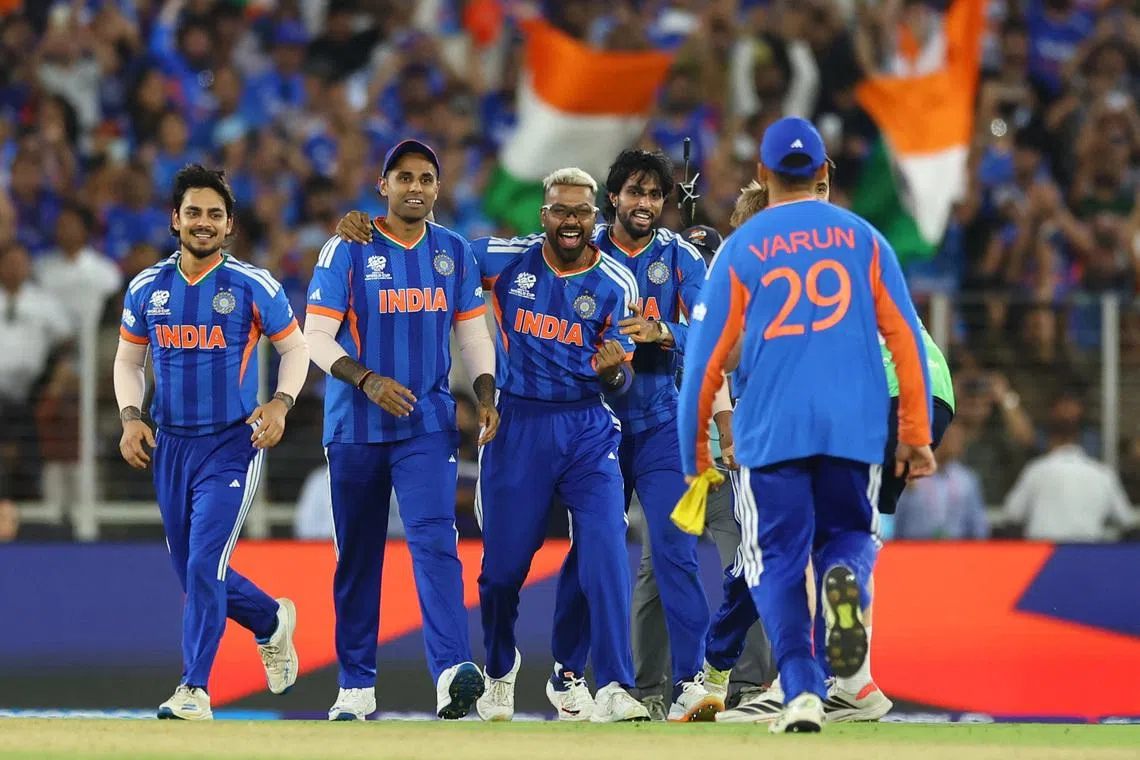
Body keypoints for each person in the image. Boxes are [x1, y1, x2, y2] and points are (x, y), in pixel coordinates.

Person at [676, 117, 936, 734]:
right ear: (823, 174)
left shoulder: (742, 248)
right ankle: (847, 581)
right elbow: (906, 341)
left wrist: (696, 461)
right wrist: (916, 435)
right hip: (854, 424)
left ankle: (799, 692)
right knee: (849, 537)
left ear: (763, 176)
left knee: (776, 564)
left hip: (772, 430)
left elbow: (703, 364)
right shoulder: (866, 239)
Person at [303, 139, 499, 722]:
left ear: (438, 190)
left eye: (427, 178)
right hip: (355, 425)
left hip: (427, 425)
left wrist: (486, 394)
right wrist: (366, 381)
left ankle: (450, 676)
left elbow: (472, 335)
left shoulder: (453, 251)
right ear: (382, 185)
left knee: (436, 542)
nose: (416, 187)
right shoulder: (347, 246)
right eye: (404, 176)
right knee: (358, 556)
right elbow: (314, 337)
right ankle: (355, 686)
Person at [114, 163, 307, 720]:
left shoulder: (253, 284)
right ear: (175, 220)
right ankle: (270, 620)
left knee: (202, 566)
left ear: (230, 226)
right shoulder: (147, 287)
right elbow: (129, 361)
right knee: (201, 571)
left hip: (230, 444)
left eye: (215, 215)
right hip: (169, 448)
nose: (204, 223)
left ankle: (194, 689)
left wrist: (280, 403)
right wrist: (131, 417)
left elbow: (295, 350)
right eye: (194, 213)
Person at [545, 150, 728, 722]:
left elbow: (710, 329)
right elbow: (517, 271)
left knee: (676, 552)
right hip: (594, 428)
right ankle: (568, 675)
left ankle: (690, 682)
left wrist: (662, 331)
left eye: (654, 195)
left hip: (658, 428)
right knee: (591, 553)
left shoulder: (680, 256)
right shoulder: (580, 245)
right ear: (613, 197)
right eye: (634, 193)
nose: (644, 204)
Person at [474, 168, 648, 723]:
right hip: (516, 424)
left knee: (605, 550)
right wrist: (367, 231)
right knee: (501, 573)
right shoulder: (504, 259)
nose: (571, 221)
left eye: (582, 211)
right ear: (543, 215)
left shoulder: (618, 284)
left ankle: (615, 683)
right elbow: (436, 250)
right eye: (560, 210)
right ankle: (499, 669)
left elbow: (620, 378)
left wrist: (613, 371)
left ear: (596, 217)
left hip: (587, 427)